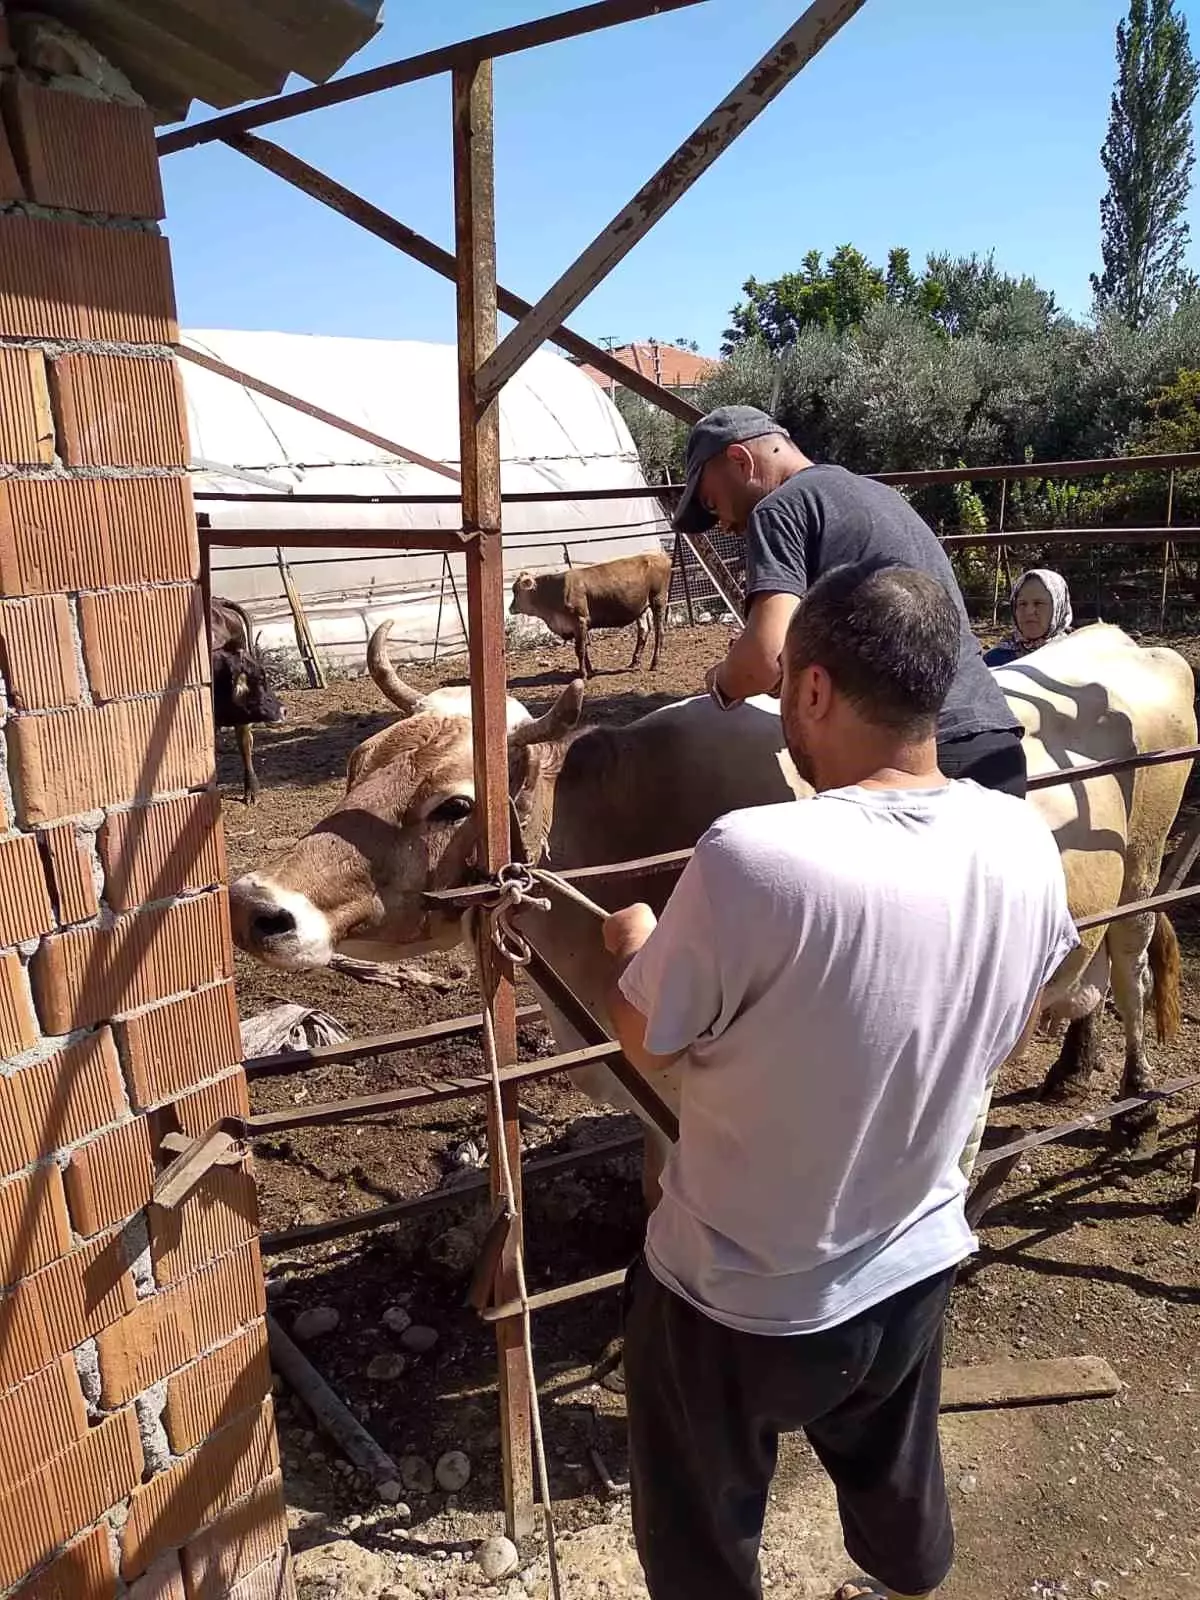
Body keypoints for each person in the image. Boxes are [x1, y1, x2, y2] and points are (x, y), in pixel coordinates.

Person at [602, 562, 1078, 1600]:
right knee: (897, 1493)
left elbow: (645, 1040)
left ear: (812, 690)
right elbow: (1018, 1017)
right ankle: (908, 1579)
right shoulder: (1022, 839)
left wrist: (634, 943)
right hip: (911, 1268)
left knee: (702, 1547)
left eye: (788, 698)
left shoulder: (752, 857)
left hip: (732, 1302)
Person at [675, 406, 1026, 796]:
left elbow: (763, 659)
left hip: (912, 765)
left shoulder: (780, 508)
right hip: (992, 741)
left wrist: (723, 683)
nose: (721, 522)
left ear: (740, 461)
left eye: (710, 503)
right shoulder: (879, 495)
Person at [983, 568, 1073, 667]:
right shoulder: (993, 662)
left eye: (1038, 603)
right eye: (1022, 604)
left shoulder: (1078, 658)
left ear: (1058, 608)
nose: (1029, 611)